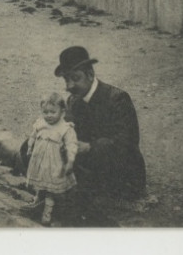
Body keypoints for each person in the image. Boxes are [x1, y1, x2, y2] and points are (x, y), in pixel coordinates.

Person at [54, 45, 146, 203]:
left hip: (122, 173)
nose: (69, 86)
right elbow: (68, 130)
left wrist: (89, 147)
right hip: (91, 166)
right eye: (66, 79)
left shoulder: (117, 99)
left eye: (75, 78)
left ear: (90, 74)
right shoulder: (74, 100)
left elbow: (126, 143)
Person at [24, 91, 78, 226]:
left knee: (51, 190)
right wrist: (30, 147)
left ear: (62, 112)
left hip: (55, 163)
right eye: (45, 112)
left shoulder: (65, 128)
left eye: (53, 112)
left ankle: (48, 211)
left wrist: (70, 160)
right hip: (40, 161)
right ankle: (38, 200)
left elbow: (72, 145)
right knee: (41, 183)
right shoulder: (40, 123)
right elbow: (33, 136)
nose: (48, 116)